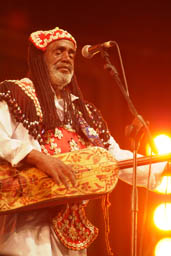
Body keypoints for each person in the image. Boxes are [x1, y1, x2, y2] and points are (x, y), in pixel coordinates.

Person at [0, 27, 167, 256]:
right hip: (26, 231)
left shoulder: (83, 111)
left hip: (73, 231)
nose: (67, 58)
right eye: (58, 51)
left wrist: (164, 166)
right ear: (41, 58)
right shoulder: (17, 94)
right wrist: (38, 158)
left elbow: (112, 158)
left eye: (71, 53)